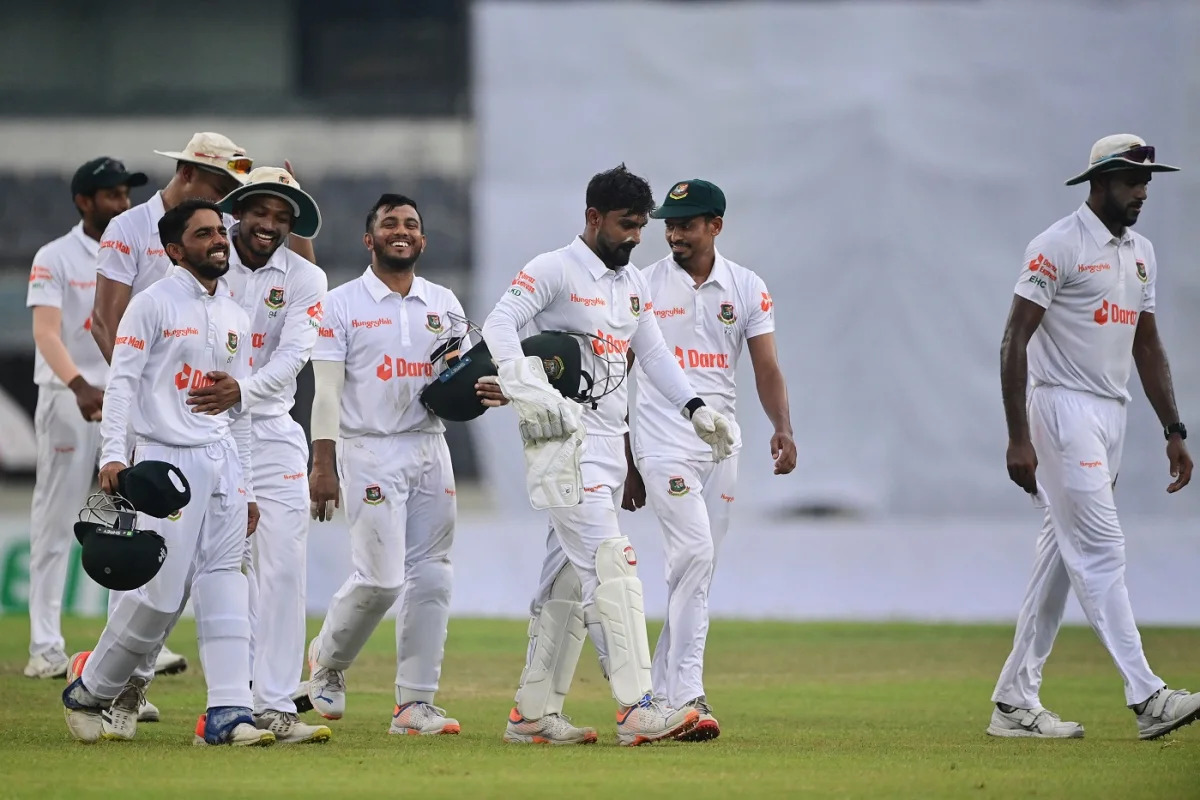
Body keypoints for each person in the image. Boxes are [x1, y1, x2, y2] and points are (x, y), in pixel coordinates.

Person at [480, 164, 736, 746]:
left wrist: (697, 408)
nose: (635, 237)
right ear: (593, 217)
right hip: (563, 443)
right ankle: (637, 708)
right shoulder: (554, 268)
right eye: (626, 225)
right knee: (611, 566)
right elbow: (499, 324)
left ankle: (532, 714)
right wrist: (525, 385)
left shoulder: (632, 284)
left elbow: (654, 356)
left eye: (642, 226)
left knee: (567, 584)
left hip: (607, 446)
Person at [992, 134, 1200, 741]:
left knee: (1059, 561)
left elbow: (1146, 342)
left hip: (1112, 414)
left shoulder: (1142, 254)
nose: (1143, 193)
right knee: (1102, 550)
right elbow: (1014, 340)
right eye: (1134, 181)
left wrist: (1174, 428)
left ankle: (1013, 703)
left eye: (1147, 182)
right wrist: (1018, 437)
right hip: (1060, 411)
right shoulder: (1058, 245)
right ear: (1100, 181)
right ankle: (1148, 696)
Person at [62, 199, 272, 746]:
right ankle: (91, 688)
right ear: (176, 250)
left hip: (222, 462)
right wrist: (113, 455)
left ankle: (229, 713)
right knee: (157, 596)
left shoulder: (235, 311)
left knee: (227, 581)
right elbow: (124, 383)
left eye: (219, 232)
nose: (219, 241)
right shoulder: (151, 303)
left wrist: (245, 485)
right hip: (165, 462)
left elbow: (236, 409)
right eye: (204, 234)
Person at [621, 178, 796, 741]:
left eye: (687, 223)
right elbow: (624, 370)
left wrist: (782, 428)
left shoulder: (746, 286)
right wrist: (627, 455)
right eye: (669, 224)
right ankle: (690, 693)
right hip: (661, 438)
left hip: (721, 442)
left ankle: (663, 702)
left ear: (715, 225)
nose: (674, 233)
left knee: (695, 571)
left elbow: (766, 367)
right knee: (693, 554)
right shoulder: (642, 284)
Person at [90, 131, 254, 682]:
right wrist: (143, 411)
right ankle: (114, 682)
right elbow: (103, 321)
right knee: (140, 560)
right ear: (187, 172)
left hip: (198, 422)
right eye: (218, 184)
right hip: (148, 408)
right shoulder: (129, 228)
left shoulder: (219, 272)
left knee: (198, 570)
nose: (226, 202)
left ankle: (127, 680)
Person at [176, 167, 329, 744]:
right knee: (210, 568)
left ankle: (273, 705)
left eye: (283, 218)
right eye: (262, 212)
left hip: (270, 427)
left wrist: (243, 389)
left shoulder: (306, 278)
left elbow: (295, 359)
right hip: (201, 427)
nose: (270, 225)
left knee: (284, 566)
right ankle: (219, 703)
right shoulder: (205, 263)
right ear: (239, 212)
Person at [301, 194, 464, 736]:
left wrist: (484, 390)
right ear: (369, 239)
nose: (402, 231)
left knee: (434, 575)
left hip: (428, 446)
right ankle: (327, 658)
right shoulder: (341, 304)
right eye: (389, 223)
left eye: (412, 224)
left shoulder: (444, 302)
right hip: (367, 446)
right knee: (382, 580)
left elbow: (459, 382)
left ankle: (414, 706)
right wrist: (321, 464)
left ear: (422, 240)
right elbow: (324, 393)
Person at [24, 158, 147, 680]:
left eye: (125, 194)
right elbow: (47, 332)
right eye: (110, 195)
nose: (122, 204)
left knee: (132, 520)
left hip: (124, 396)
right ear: (84, 201)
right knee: (56, 518)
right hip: (69, 397)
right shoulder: (54, 256)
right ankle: (45, 646)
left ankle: (130, 645)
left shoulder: (138, 254)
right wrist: (78, 385)